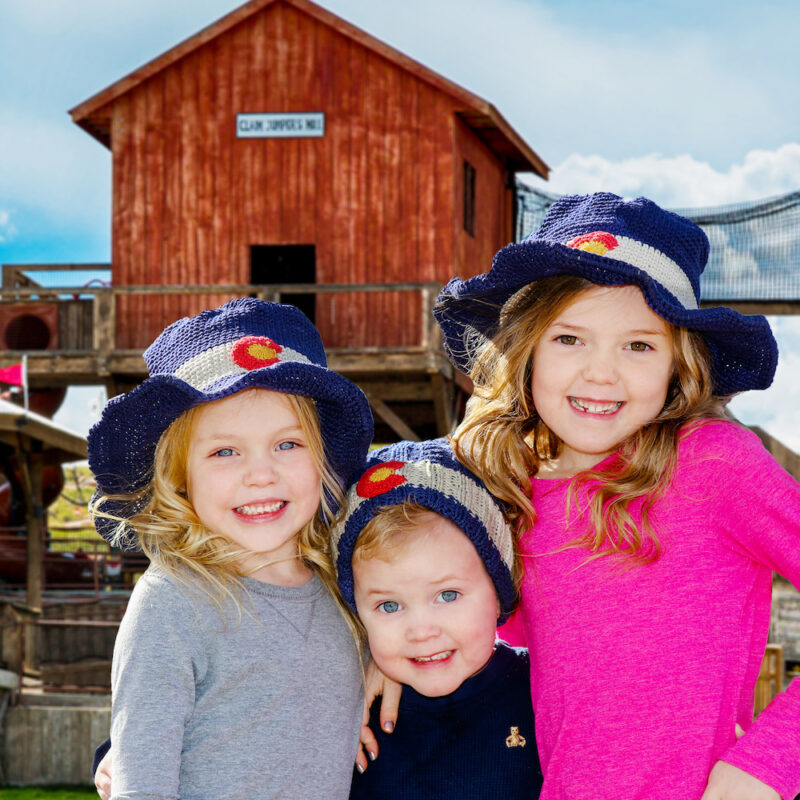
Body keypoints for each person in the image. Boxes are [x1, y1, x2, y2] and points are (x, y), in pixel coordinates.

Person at [433, 192, 800, 800]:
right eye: (569, 339)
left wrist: (764, 766)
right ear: (525, 351)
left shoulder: (712, 463)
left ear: (678, 366)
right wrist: (379, 661)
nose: (601, 373)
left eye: (638, 345)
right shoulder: (508, 494)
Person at [88, 298, 374, 800]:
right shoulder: (173, 602)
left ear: (324, 460)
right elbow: (143, 784)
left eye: (288, 444)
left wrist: (384, 668)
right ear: (180, 478)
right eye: (225, 451)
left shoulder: (347, 589)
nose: (261, 474)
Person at [331, 437, 543, 798]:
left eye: (447, 595)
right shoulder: (350, 712)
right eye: (389, 606)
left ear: (498, 591)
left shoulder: (541, 689)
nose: (422, 631)